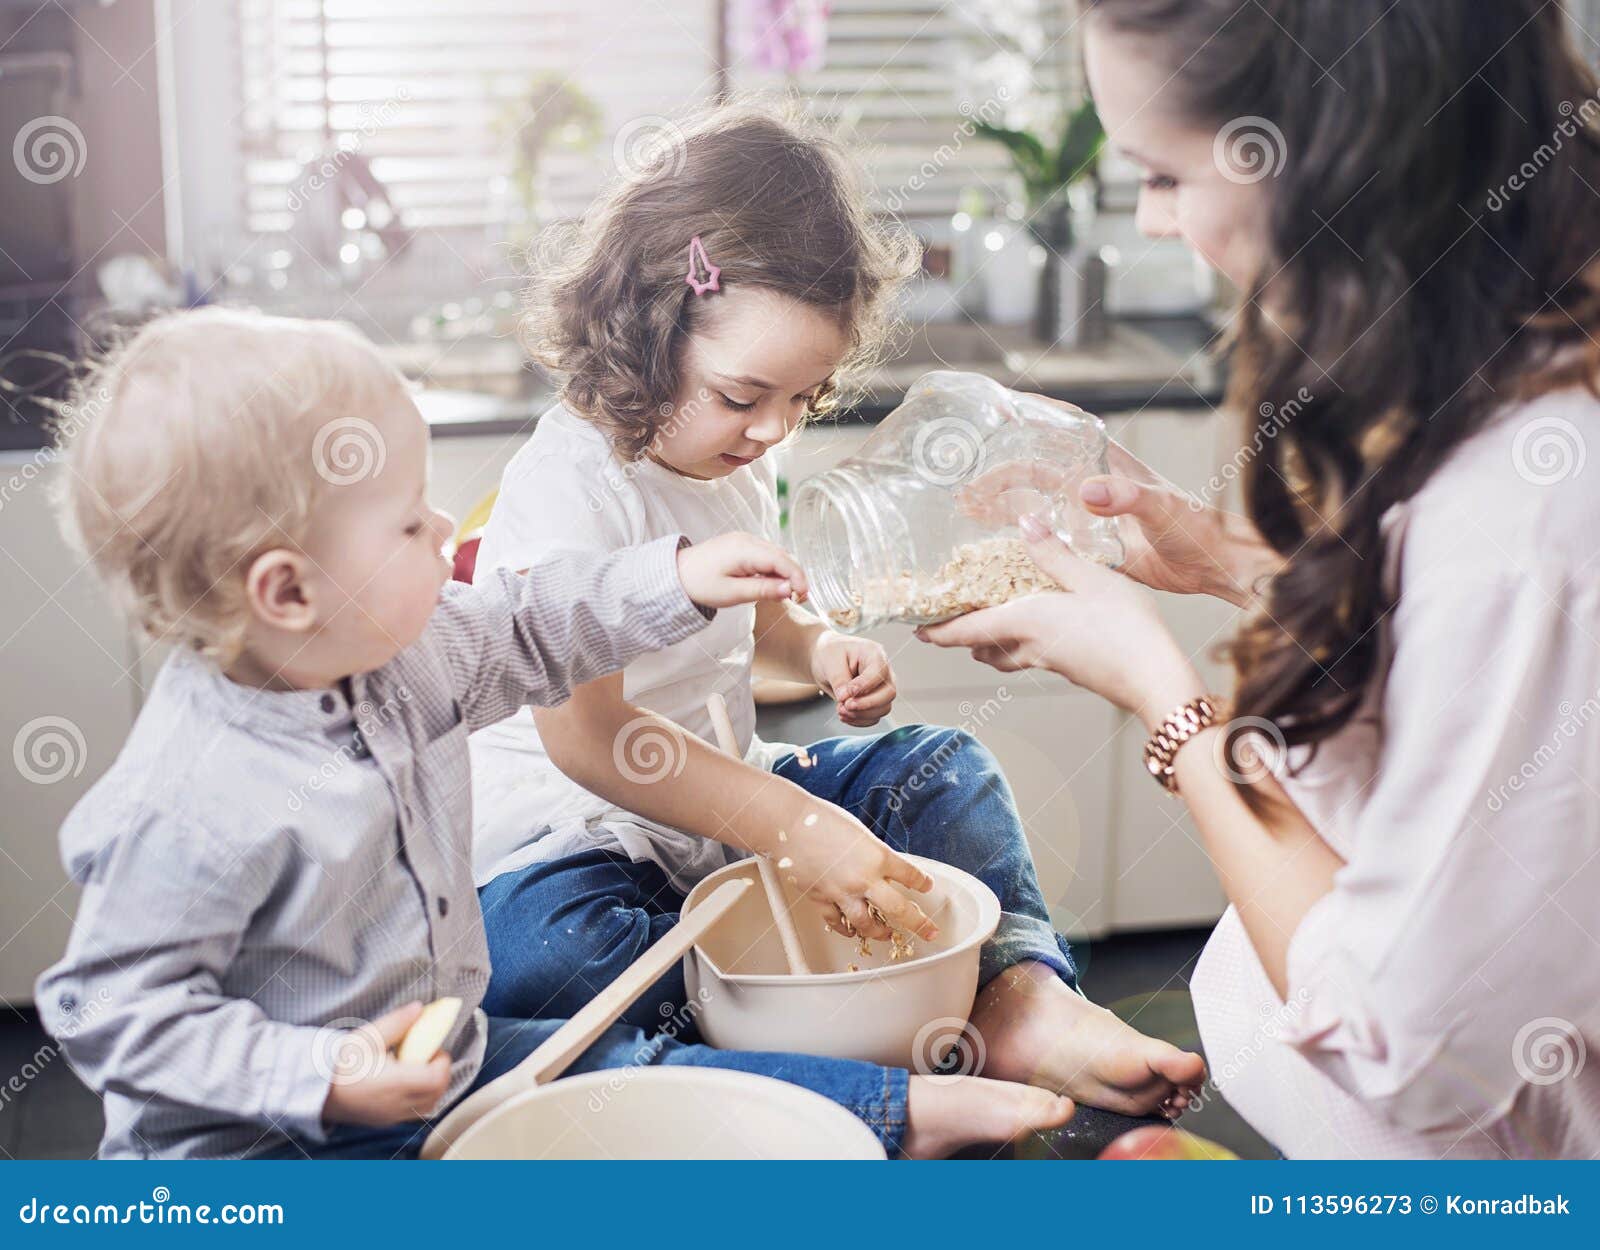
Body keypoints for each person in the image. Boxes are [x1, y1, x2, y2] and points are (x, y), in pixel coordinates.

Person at [37, 308, 1072, 1159]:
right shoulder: (188, 798)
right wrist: (328, 1076)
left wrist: (670, 579)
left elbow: (533, 621)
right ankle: (888, 1111)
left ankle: (891, 1111)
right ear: (287, 588)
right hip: (270, 1149)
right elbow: (113, 1010)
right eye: (407, 521)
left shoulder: (407, 652)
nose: (447, 533)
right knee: (608, 1097)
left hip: (442, 1056)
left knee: (607, 1060)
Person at [921, 0, 1600, 1158]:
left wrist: (1160, 692)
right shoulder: (1504, 354)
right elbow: (1458, 672)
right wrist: (1230, 562)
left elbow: (1414, 1048)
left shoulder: (1527, 508)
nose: (1153, 218)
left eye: (1164, 175)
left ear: (1328, 152)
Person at [469, 102, 1205, 1118]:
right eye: (743, 395)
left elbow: (756, 631)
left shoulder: (741, 454)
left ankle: (1015, 997)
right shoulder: (572, 484)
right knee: (559, 960)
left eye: (802, 400)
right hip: (571, 841)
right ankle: (877, 1100)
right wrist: (793, 822)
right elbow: (590, 742)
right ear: (646, 331)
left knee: (942, 769)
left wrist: (820, 649)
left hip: (721, 820)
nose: (771, 427)